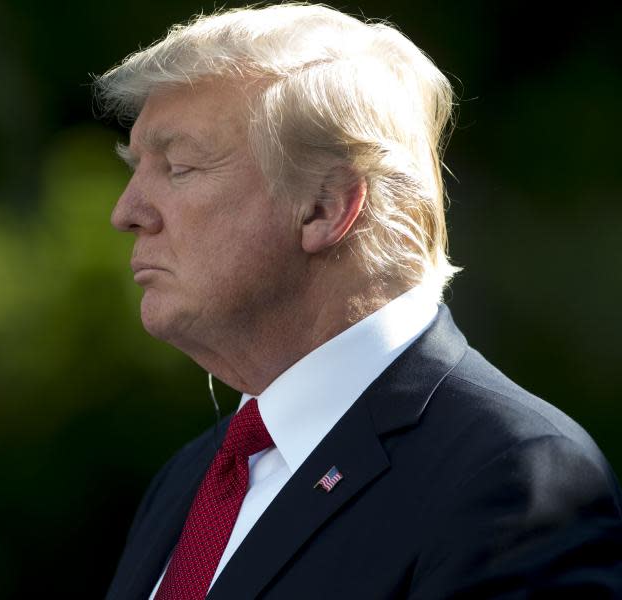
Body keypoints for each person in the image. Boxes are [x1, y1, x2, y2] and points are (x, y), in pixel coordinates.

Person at [94, 4, 622, 599]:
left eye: (181, 166)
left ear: (327, 206)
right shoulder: (193, 479)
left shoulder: (516, 477)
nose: (127, 212)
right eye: (138, 168)